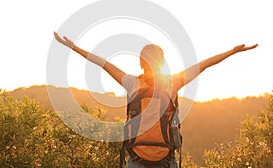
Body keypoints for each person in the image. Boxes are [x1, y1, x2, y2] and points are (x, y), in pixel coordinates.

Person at [54, 31, 258, 167]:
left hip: (136, 158)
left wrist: (73, 47)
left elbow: (102, 63)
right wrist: (232, 52)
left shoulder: (131, 83)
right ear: (161, 63)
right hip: (166, 159)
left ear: (141, 63)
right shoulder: (172, 83)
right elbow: (203, 65)